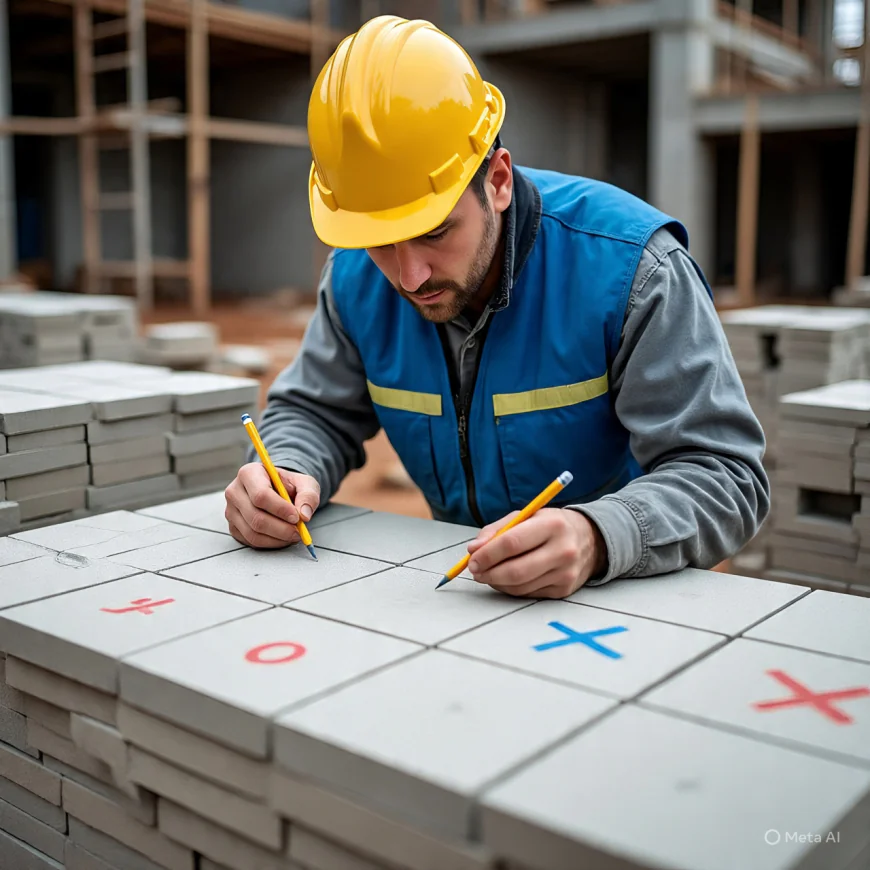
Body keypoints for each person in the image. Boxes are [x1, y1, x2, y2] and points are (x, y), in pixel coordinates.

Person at [224, 14, 770, 598]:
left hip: (617, 601)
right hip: (465, 601)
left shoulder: (633, 269)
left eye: (434, 231)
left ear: (499, 181)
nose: (409, 276)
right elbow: (315, 412)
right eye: (380, 239)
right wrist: (284, 469)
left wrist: (599, 535)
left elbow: (726, 474)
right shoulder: (356, 277)